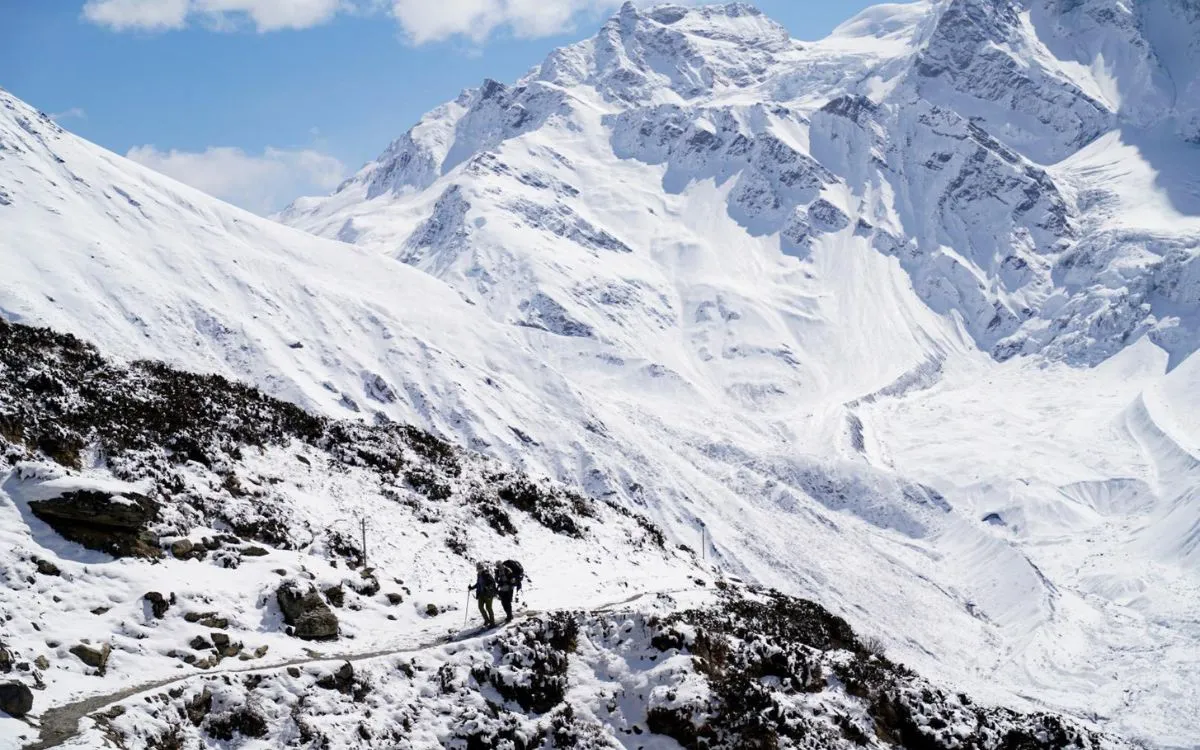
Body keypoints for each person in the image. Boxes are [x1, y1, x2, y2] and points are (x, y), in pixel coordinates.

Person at [494, 559, 525, 624]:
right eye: (497, 566)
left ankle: (509, 616)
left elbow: (512, 579)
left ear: (501, 564)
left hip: (509, 588)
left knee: (507, 602)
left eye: (499, 566)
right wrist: (499, 582)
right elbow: (496, 580)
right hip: (502, 588)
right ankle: (509, 615)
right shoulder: (497, 572)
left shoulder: (508, 570)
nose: (498, 567)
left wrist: (509, 584)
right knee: (503, 603)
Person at [468, 561, 498, 627]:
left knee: (488, 608)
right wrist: (472, 587)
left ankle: (492, 622)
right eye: (478, 568)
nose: (479, 569)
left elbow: (492, 583)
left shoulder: (487, 574)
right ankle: (487, 620)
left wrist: (487, 588)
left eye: (480, 568)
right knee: (480, 607)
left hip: (488, 594)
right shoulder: (478, 575)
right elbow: (478, 584)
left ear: (482, 568)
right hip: (481, 594)